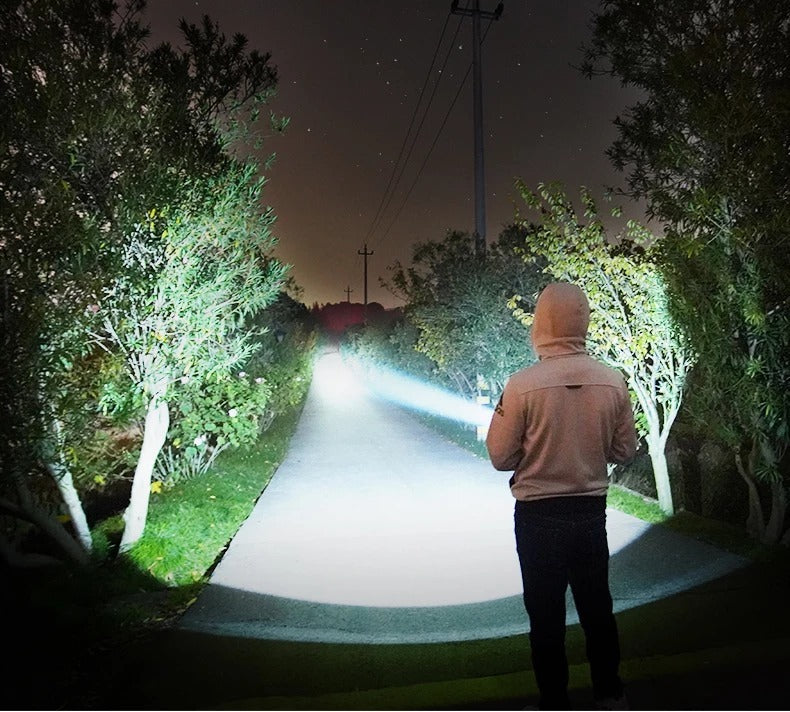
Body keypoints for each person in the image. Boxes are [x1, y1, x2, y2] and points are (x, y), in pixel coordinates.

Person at [486, 282, 637, 711]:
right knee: (597, 609)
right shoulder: (612, 381)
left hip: (537, 517)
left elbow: (499, 456)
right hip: (590, 513)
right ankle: (610, 693)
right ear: (583, 320)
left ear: (540, 323)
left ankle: (555, 700)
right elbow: (625, 449)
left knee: (545, 617)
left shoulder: (521, 385)